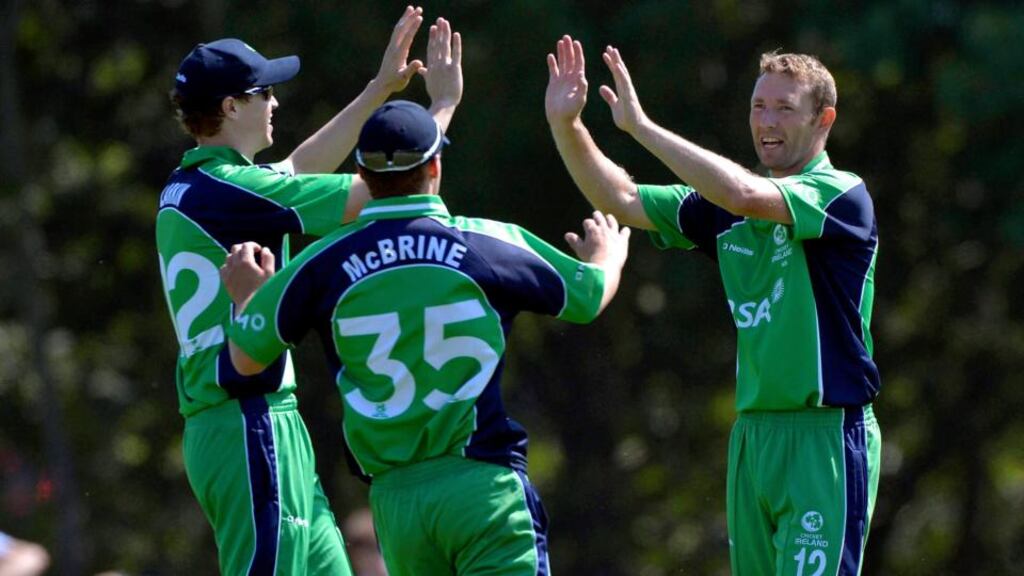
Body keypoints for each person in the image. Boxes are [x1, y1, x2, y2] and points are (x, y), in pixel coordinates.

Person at [218, 99, 631, 576]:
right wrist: (608, 255)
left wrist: (248, 299)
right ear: (435, 165)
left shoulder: (319, 264)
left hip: (396, 504)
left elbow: (245, 361)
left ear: (361, 174)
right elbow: (588, 296)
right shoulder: (485, 243)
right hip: (483, 489)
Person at [545, 36, 882, 575]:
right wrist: (568, 126)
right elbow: (622, 200)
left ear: (824, 120)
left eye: (784, 108)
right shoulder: (724, 208)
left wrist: (641, 127)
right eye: (758, 105)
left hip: (824, 435)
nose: (766, 120)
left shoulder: (841, 195)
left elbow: (744, 196)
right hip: (752, 437)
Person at [155, 7, 463, 574]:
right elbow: (384, 190)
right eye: (264, 93)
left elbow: (296, 171)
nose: (276, 103)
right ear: (231, 107)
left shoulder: (205, 182)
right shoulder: (227, 188)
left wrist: (379, 90)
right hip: (245, 418)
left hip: (257, 419)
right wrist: (440, 109)